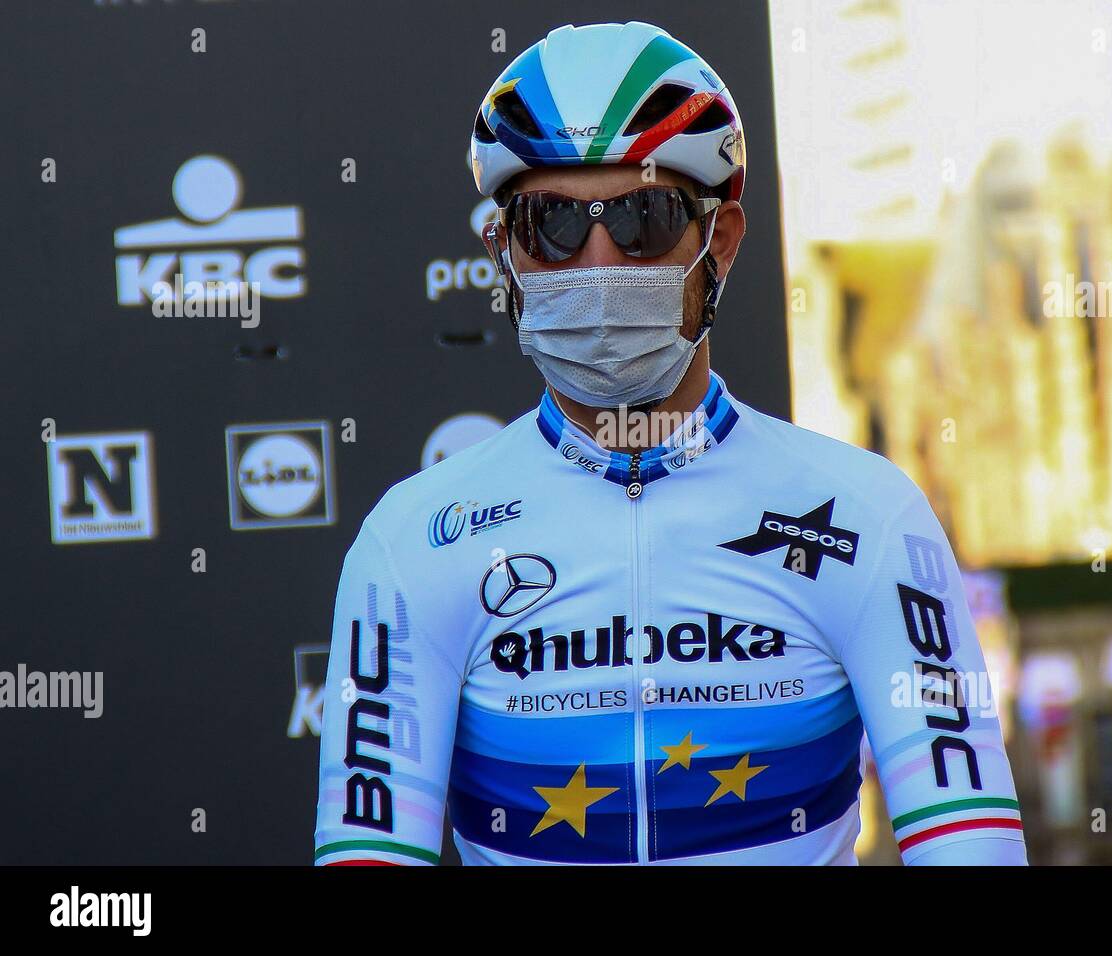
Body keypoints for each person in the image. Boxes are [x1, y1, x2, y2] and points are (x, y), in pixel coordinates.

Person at [314, 20, 1027, 866]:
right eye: (552, 226)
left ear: (719, 243)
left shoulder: (870, 518)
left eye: (645, 217)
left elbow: (972, 843)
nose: (599, 259)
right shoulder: (410, 542)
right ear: (502, 254)